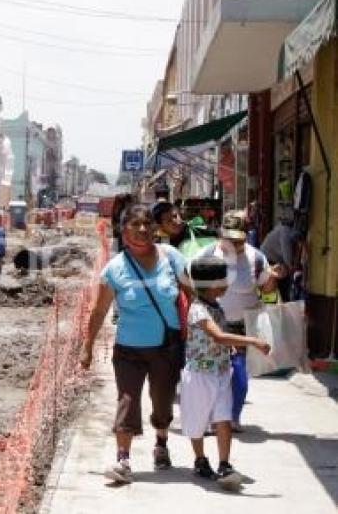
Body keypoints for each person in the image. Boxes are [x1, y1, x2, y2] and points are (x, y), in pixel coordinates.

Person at [80, 204, 189, 484]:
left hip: (167, 346)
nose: (142, 230)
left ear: (155, 228)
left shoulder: (172, 257)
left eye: (147, 224)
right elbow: (99, 310)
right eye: (135, 225)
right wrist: (87, 346)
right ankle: (123, 458)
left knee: (162, 400)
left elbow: (192, 294)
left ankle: (161, 442)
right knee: (127, 400)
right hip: (128, 348)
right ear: (123, 231)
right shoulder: (114, 269)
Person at [181, 256, 270, 489]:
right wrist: (252, 341)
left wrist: (229, 346)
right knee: (197, 421)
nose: (228, 284)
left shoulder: (215, 306)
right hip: (200, 375)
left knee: (223, 418)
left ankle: (224, 464)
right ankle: (200, 460)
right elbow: (217, 335)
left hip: (220, 372)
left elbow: (220, 336)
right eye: (224, 280)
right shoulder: (199, 309)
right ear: (211, 284)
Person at [198, 210, 281, 430]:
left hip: (243, 327)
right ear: (221, 236)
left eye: (238, 240)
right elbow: (194, 289)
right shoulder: (207, 254)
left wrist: (273, 278)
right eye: (229, 239)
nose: (234, 244)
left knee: (239, 377)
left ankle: (232, 417)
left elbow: (266, 289)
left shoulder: (256, 258)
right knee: (212, 375)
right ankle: (213, 419)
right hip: (214, 324)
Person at [259, 213, 302, 302]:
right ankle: (282, 303)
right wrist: (291, 267)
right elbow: (287, 255)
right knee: (281, 283)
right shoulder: (285, 233)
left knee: (277, 284)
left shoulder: (282, 229)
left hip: (270, 259)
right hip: (269, 260)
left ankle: (279, 302)